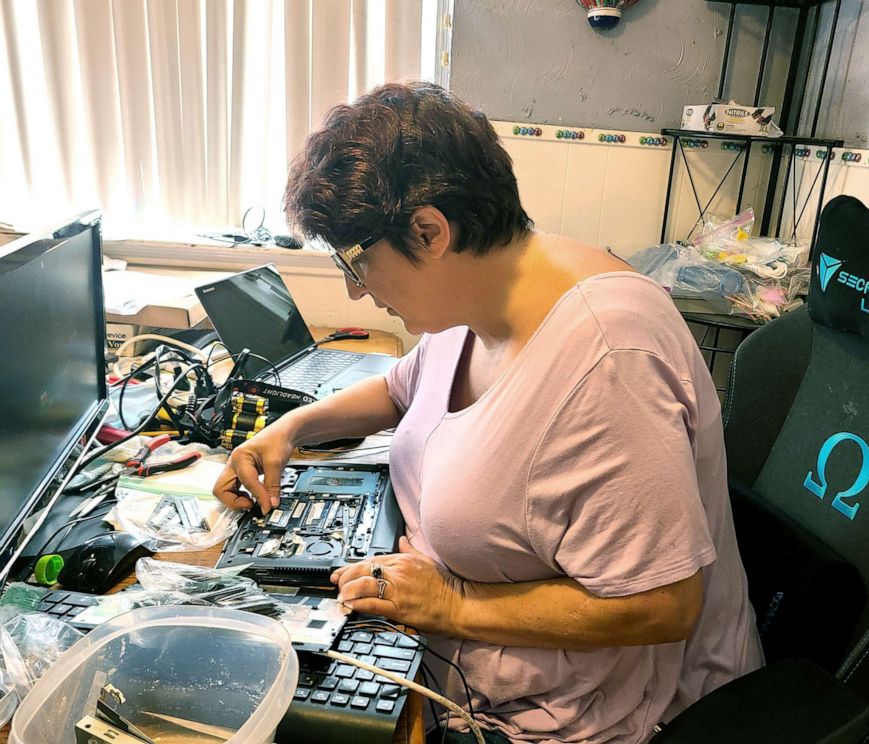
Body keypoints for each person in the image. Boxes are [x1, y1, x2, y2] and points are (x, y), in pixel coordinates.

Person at [213, 81, 762, 744]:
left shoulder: (608, 360)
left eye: (356, 263)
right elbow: (400, 390)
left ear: (430, 230)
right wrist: (291, 428)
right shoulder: (486, 287)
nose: (356, 291)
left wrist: (452, 605)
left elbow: (661, 606)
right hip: (456, 663)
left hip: (585, 722)